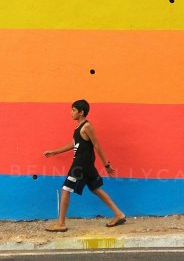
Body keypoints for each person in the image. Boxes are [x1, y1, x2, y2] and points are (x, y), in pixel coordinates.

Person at [42, 99, 125, 232]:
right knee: (95, 188)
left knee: (65, 189)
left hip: (81, 164)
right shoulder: (78, 128)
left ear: (81, 112)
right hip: (86, 164)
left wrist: (106, 165)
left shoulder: (87, 126)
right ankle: (119, 214)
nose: (71, 112)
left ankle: (61, 224)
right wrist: (55, 152)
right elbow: (73, 144)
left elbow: (97, 145)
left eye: (73, 110)